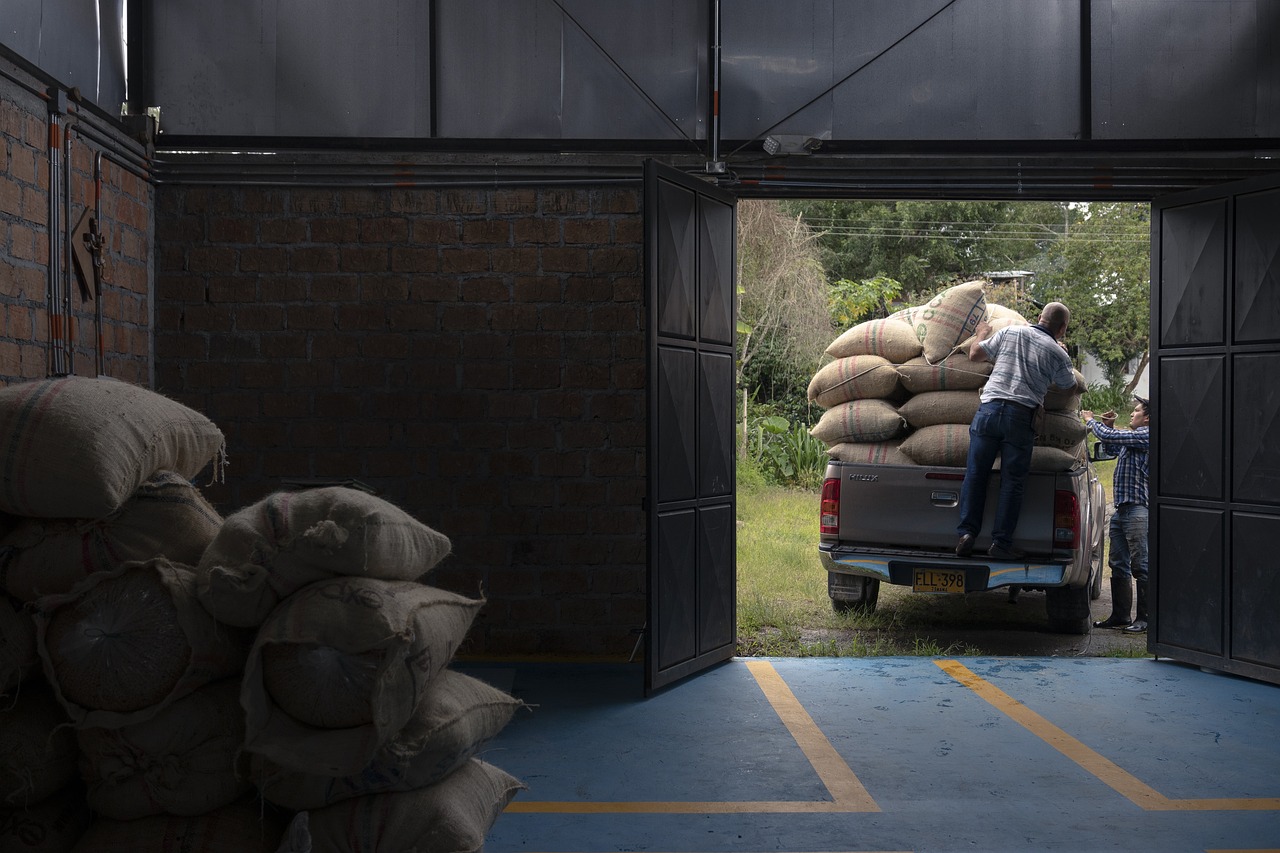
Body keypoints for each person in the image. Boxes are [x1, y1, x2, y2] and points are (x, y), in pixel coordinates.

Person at [955, 302, 1084, 560]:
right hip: (1020, 417)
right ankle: (1001, 542)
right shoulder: (1058, 354)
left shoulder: (1011, 332)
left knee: (976, 474)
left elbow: (975, 355)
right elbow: (1069, 386)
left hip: (988, 412)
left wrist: (981, 332)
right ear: (1062, 329)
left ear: (1039, 318)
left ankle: (967, 533)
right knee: (1012, 482)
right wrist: (1061, 355)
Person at [1082, 396, 1151, 633]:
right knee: (1118, 563)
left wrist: (1091, 421)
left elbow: (1111, 438)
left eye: (1136, 411)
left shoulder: (1147, 435)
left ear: (1148, 418)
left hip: (1138, 510)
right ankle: (1121, 616)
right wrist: (1108, 427)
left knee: (1141, 564)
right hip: (1122, 510)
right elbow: (1111, 446)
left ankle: (1144, 619)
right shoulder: (1132, 439)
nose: (1131, 414)